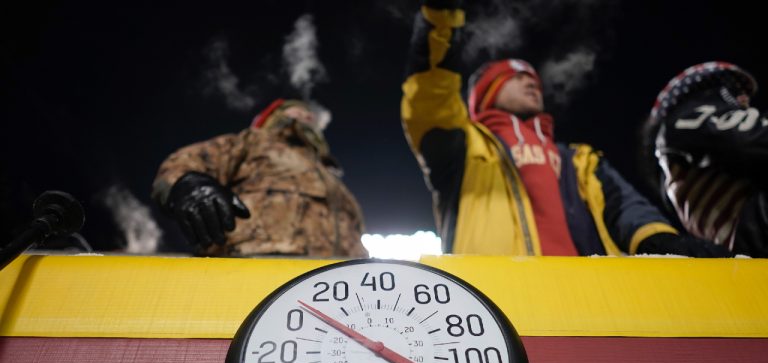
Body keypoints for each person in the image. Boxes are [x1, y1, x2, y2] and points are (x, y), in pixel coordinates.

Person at [400, 0, 728, 256]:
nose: (532, 82)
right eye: (516, 77)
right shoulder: (462, 146)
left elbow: (627, 209)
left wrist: (660, 241)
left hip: (587, 300)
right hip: (494, 299)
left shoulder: (579, 160)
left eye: (534, 77)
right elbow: (431, 91)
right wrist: (441, 19)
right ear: (486, 92)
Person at [151, 99, 368, 258]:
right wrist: (189, 184)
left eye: (309, 115)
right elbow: (185, 162)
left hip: (332, 279)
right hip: (254, 262)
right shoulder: (254, 142)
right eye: (296, 111)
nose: (307, 116)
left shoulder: (331, 176)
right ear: (275, 117)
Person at [645, 61, 768, 257]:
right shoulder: (683, 121)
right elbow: (744, 141)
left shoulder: (674, 172)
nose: (744, 101)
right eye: (732, 91)